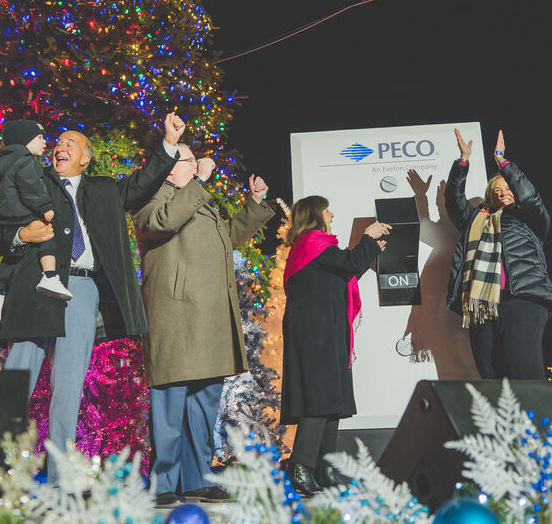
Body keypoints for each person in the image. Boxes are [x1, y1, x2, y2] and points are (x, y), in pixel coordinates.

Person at [0, 113, 184, 485]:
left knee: (68, 386)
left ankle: (60, 483)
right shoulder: (31, 180)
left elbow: (142, 183)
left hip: (83, 290)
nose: (60, 146)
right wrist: (22, 234)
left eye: (70, 142)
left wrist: (168, 143)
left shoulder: (105, 189)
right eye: (57, 142)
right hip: (36, 285)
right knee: (15, 382)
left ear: (85, 157)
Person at [133, 147, 276, 506]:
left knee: (204, 400)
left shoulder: (197, 199)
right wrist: (197, 183)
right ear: (167, 170)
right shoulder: (152, 198)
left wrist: (254, 205)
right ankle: (162, 482)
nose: (196, 165)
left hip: (209, 316)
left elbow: (225, 239)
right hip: (176, 315)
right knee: (169, 398)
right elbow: (160, 223)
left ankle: (196, 479)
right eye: (187, 161)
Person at [280, 195, 390, 496]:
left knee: (330, 400)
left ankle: (324, 468)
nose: (332, 213)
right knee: (319, 398)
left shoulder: (317, 248)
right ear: (315, 214)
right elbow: (349, 262)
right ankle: (301, 467)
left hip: (325, 329)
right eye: (326, 209)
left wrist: (369, 251)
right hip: (314, 332)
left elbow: (345, 272)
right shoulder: (311, 243)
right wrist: (367, 239)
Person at [444, 129, 552, 379]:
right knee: (491, 375)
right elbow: (454, 201)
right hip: (482, 305)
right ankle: (501, 420)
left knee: (524, 373)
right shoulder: (476, 218)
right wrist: (463, 161)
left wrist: (502, 162)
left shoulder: (529, 218)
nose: (502, 192)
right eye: (496, 190)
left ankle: (534, 419)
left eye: (507, 188)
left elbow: (530, 197)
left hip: (522, 299)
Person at [0, 119, 70, 301]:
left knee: (14, 257)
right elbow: (31, 188)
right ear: (25, 140)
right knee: (47, 235)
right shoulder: (27, 162)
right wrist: (44, 207)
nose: (46, 143)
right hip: (21, 213)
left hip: (4, 213)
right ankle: (50, 276)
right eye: (40, 138)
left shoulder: (3, 162)